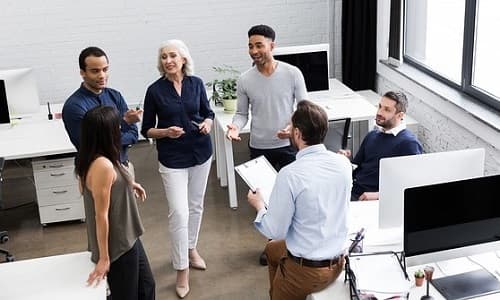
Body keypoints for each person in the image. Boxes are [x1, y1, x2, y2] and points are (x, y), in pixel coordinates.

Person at [247, 100, 352, 300]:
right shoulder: (343, 164)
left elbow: (275, 230)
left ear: (296, 134)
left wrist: (260, 205)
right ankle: (279, 285)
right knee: (271, 250)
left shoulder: (289, 174)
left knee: (274, 243)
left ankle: (282, 289)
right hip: (338, 260)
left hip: (308, 271)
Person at [226, 24, 308, 266]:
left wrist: (292, 128)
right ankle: (272, 245)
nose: (253, 50)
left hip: (288, 146)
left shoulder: (293, 73)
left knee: (291, 198)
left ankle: (294, 244)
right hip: (259, 147)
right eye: (250, 46)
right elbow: (241, 114)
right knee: (266, 199)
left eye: (259, 45)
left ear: (272, 45)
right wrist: (234, 126)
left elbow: (304, 107)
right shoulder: (244, 80)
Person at [141, 39, 214, 299]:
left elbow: (209, 112)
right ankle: (181, 269)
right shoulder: (154, 91)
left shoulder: (196, 84)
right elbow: (146, 128)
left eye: (173, 55)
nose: (168, 60)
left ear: (183, 59)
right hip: (172, 159)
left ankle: (191, 249)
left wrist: (207, 123)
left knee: (196, 206)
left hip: (201, 153)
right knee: (179, 213)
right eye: (163, 57)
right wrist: (165, 132)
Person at [77, 105, 155, 300]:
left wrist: (130, 183)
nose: (120, 129)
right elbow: (100, 216)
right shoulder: (101, 165)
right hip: (118, 243)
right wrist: (104, 258)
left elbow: (113, 177)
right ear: (106, 133)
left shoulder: (96, 156)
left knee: (146, 286)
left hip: (129, 235)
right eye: (117, 126)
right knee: (126, 295)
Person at [63, 46, 142, 168]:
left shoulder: (115, 96)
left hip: (123, 165)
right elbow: (91, 146)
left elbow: (133, 135)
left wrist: (108, 140)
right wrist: (124, 123)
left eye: (105, 69)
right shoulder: (74, 106)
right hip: (96, 172)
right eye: (95, 71)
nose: (102, 75)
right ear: (82, 73)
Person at [340, 91, 423, 201]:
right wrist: (344, 161)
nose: (379, 112)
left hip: (373, 200)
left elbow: (413, 186)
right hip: (352, 190)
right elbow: (356, 167)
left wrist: (378, 196)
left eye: (387, 109)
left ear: (400, 115)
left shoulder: (409, 143)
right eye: (380, 106)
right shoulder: (373, 135)